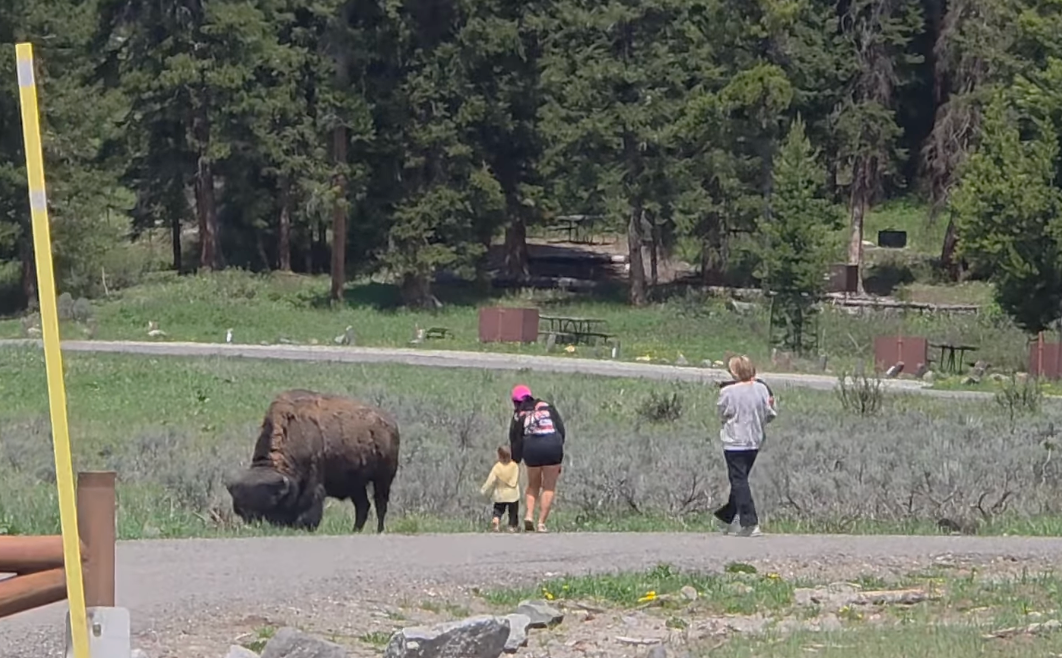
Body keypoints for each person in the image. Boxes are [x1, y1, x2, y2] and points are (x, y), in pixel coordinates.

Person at [713, 355, 777, 537]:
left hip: (734, 442)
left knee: (738, 480)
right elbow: (770, 413)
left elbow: (723, 413)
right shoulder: (762, 389)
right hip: (755, 441)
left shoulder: (728, 393)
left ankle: (750, 522)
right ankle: (728, 518)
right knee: (740, 480)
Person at [508, 384, 566, 533]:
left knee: (533, 484)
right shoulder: (547, 407)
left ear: (515, 401)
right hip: (552, 445)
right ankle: (541, 523)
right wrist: (559, 449)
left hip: (532, 447)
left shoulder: (519, 414)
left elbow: (515, 439)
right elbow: (560, 428)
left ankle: (529, 516)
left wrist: (516, 459)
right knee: (548, 486)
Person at [480, 445, 521, 533]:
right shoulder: (514, 466)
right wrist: (510, 482)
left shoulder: (497, 467)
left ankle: (496, 520)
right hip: (512, 495)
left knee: (498, 510)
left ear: (499, 456)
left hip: (500, 494)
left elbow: (490, 480)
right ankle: (511, 526)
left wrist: (484, 489)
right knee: (513, 512)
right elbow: (514, 481)